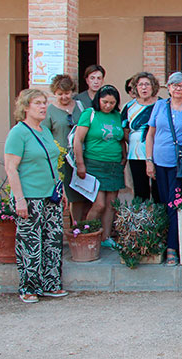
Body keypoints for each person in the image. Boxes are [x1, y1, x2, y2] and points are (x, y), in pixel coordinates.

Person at [5, 89, 68, 303]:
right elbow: (11, 168)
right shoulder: (18, 133)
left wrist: (61, 189)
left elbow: (52, 162)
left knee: (53, 239)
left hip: (50, 195)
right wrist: (19, 199)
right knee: (30, 242)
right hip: (29, 196)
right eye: (38, 103)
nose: (43, 107)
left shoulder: (45, 131)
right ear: (25, 107)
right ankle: (29, 287)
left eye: (44, 103)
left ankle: (51, 284)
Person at [146, 72, 182, 266]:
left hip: (180, 165)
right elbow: (150, 135)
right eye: (174, 85)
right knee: (163, 201)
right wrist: (149, 160)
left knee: (174, 204)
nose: (177, 88)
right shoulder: (159, 106)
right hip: (159, 162)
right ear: (168, 88)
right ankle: (165, 242)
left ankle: (173, 248)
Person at [73, 85, 126, 248]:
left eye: (112, 102)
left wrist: (123, 157)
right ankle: (85, 235)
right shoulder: (90, 114)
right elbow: (78, 140)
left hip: (114, 165)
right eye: (105, 102)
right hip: (94, 164)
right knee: (99, 203)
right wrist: (80, 164)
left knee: (111, 203)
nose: (108, 106)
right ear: (98, 100)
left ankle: (105, 237)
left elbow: (121, 138)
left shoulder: (117, 116)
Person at [41, 74, 87, 224]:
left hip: (80, 156)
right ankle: (59, 228)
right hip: (61, 159)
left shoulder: (80, 107)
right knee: (62, 193)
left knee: (79, 195)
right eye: (60, 94)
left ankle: (77, 227)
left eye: (67, 93)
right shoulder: (50, 111)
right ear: (54, 93)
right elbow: (45, 135)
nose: (64, 97)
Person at [121, 72, 160, 202]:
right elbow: (125, 131)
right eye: (140, 85)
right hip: (136, 154)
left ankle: (160, 220)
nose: (144, 88)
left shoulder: (162, 104)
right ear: (135, 87)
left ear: (153, 86)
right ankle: (142, 221)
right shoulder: (129, 107)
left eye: (147, 84)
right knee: (140, 192)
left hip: (158, 154)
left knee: (158, 191)